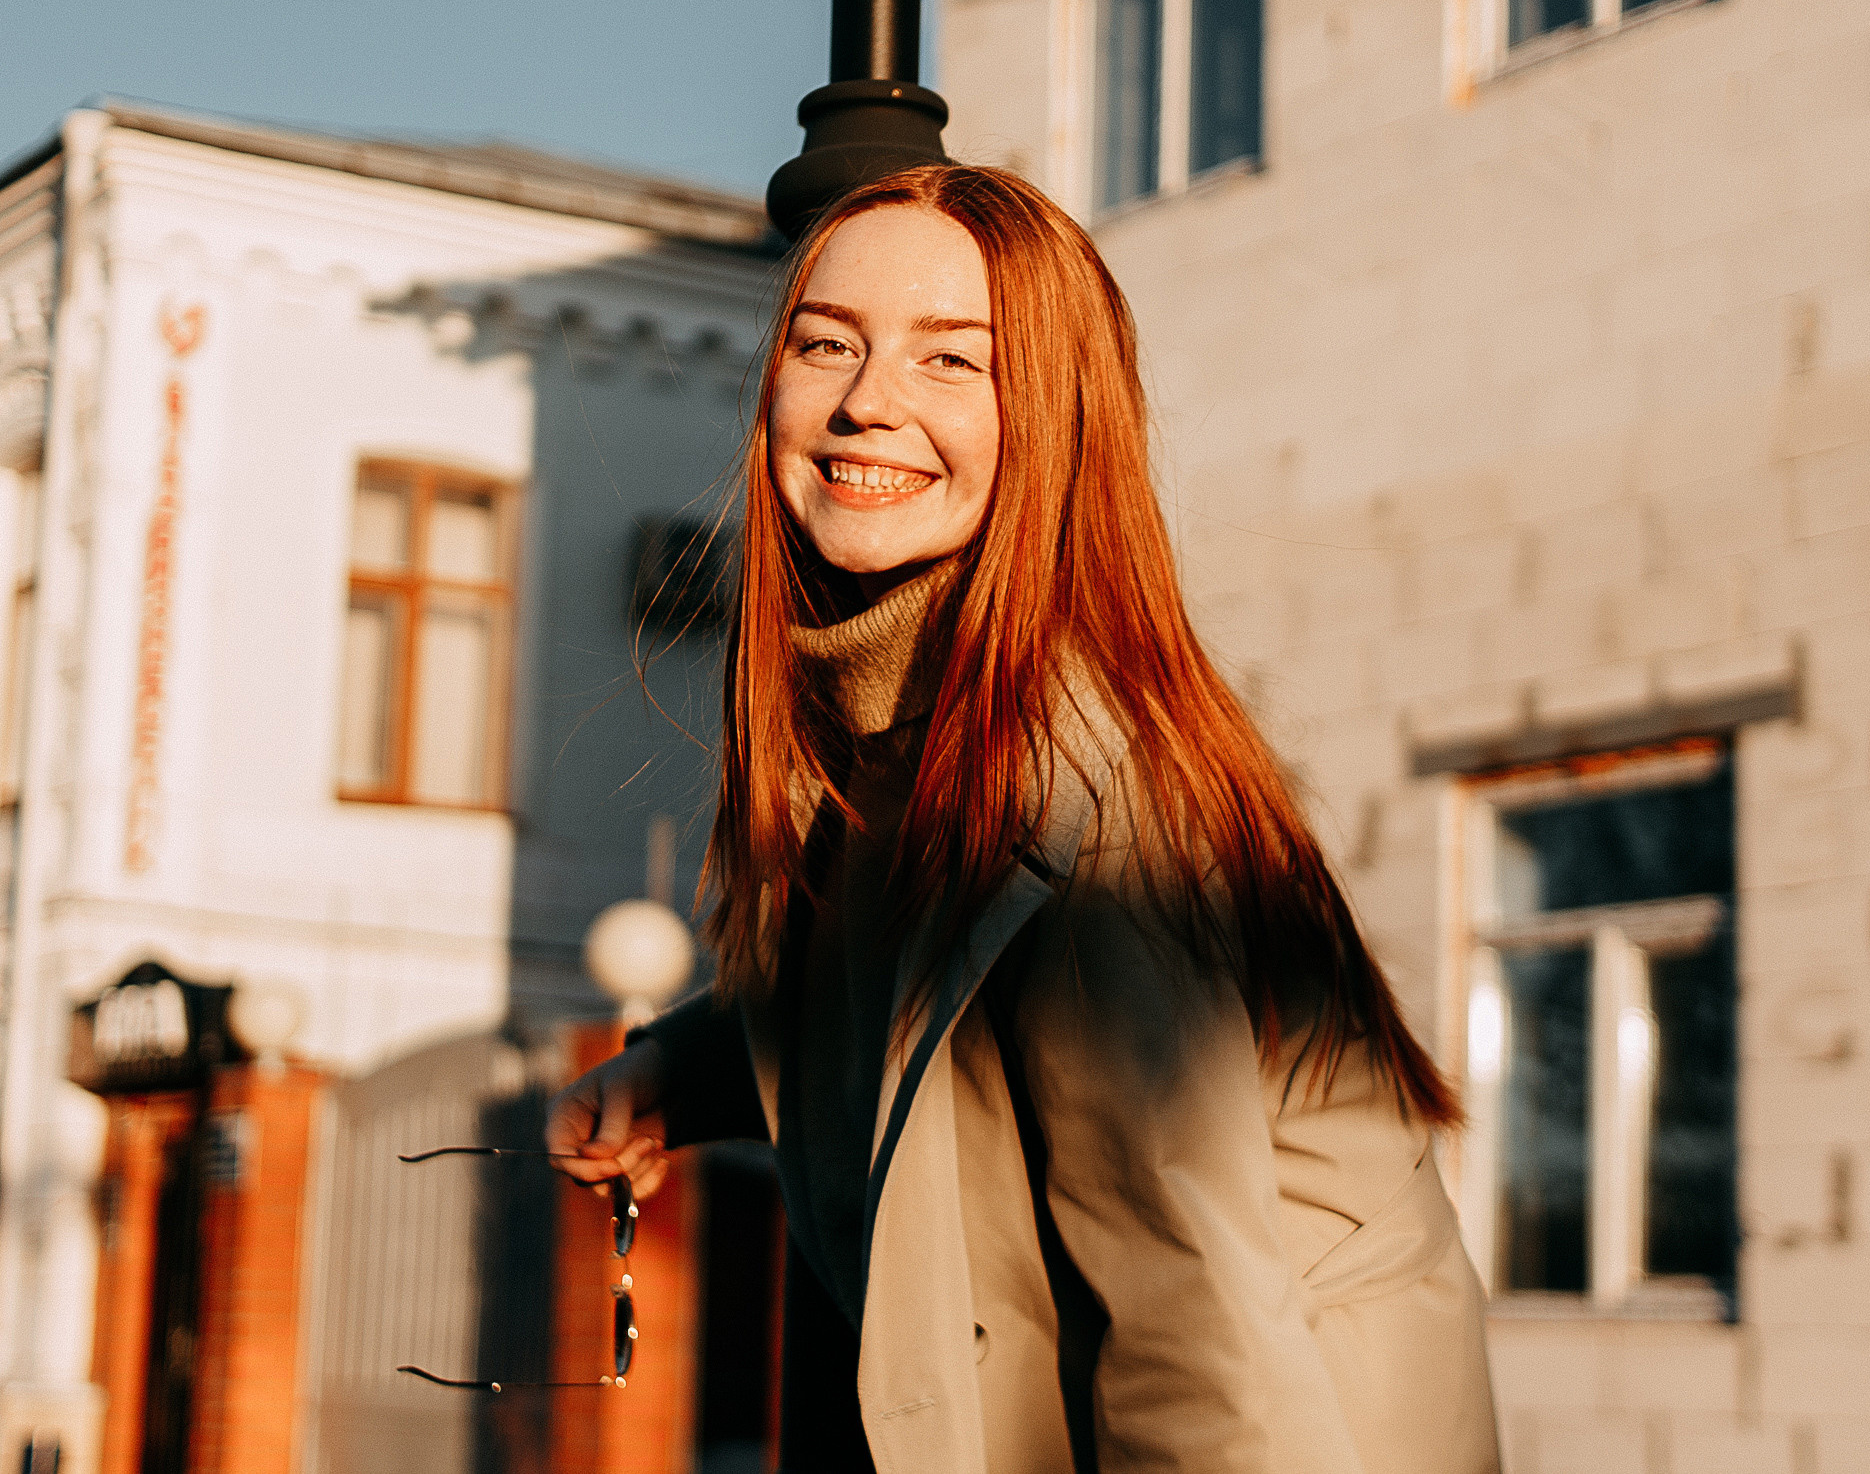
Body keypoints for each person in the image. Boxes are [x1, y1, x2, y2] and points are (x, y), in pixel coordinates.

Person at [548, 164, 1499, 1474]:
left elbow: (1198, 1348)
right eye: (825, 344)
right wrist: (684, 1071)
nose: (867, 401)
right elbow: (909, 1008)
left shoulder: (1088, 821)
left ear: (1054, 420)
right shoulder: (897, 726)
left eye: (952, 360)